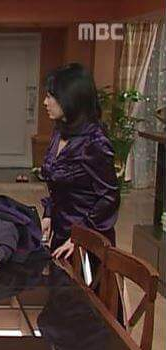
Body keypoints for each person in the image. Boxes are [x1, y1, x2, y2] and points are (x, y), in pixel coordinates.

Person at [41, 63, 120, 260]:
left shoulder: (94, 142)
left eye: (50, 97)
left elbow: (109, 198)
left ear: (70, 99)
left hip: (87, 241)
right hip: (62, 233)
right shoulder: (59, 131)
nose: (45, 102)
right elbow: (58, 185)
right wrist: (49, 214)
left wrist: (80, 237)